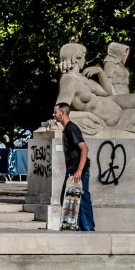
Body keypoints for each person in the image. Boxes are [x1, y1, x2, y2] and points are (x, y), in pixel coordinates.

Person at [54, 99, 94, 231]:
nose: (54, 114)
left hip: (78, 170)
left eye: (56, 112)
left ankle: (88, 228)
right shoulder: (67, 129)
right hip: (72, 169)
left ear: (62, 113)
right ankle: (78, 226)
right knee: (67, 199)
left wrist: (79, 171)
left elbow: (84, 149)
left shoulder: (72, 128)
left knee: (82, 198)